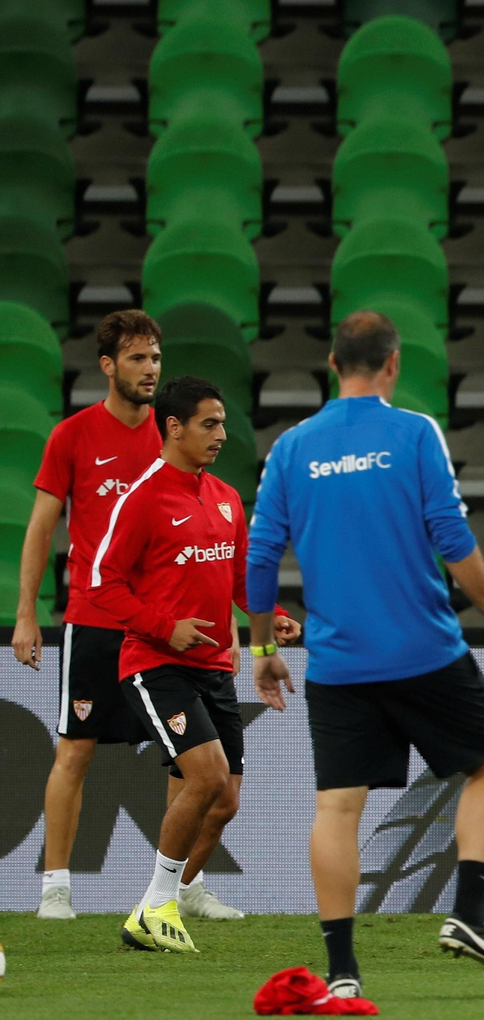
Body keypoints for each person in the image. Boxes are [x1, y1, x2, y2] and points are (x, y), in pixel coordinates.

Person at [247, 312, 484, 1000]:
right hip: (423, 649)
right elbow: (452, 536)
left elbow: (258, 558)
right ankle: (468, 911)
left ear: (330, 361)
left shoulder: (291, 447)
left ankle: (342, 970)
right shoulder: (413, 432)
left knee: (337, 807)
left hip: (339, 661)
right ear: (393, 364)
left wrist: (260, 646)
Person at [10, 311, 271, 924]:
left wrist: (237, 626)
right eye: (137, 358)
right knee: (75, 749)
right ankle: (56, 887)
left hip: (179, 626)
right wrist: (28, 613)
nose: (150, 369)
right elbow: (42, 528)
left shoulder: (183, 450)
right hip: (99, 617)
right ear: (108, 366)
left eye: (155, 358)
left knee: (191, 764)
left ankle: (183, 887)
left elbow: (211, 554)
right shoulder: (73, 436)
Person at [87, 376, 297, 952]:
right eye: (210, 423)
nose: (221, 435)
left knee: (224, 801)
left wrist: (271, 615)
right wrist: (163, 626)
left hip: (216, 667)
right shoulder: (143, 498)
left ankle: (161, 905)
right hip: (155, 664)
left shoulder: (226, 496)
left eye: (223, 422)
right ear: (173, 427)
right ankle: (155, 908)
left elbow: (237, 575)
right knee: (204, 779)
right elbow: (100, 582)